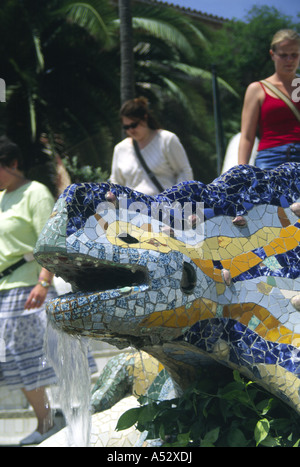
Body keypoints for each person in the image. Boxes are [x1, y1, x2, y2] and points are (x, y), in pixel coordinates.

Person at [0, 135, 59, 445]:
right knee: (11, 362)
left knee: (25, 360)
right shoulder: (0, 198)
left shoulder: (35, 193)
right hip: (4, 292)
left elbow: (48, 242)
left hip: (27, 289)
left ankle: (47, 420)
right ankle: (47, 418)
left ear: (13, 164)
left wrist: (43, 282)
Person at [238, 29, 300, 169]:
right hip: (270, 158)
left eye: (294, 55)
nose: (289, 60)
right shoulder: (257, 89)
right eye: (283, 55)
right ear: (273, 55)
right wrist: (241, 171)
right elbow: (247, 136)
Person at [110, 97, 193, 195]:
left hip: (165, 207)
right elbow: (116, 182)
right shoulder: (120, 149)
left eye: (134, 125)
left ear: (145, 118)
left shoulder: (167, 139)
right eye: (126, 127)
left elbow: (184, 171)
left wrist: (178, 197)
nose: (131, 130)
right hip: (131, 207)